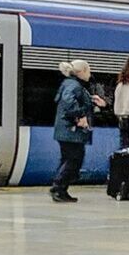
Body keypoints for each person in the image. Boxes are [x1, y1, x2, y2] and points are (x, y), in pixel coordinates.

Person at [50, 60, 103, 202]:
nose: (90, 75)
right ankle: (58, 187)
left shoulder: (70, 84)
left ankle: (62, 189)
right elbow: (69, 106)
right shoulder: (74, 85)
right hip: (71, 131)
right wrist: (82, 113)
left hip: (66, 131)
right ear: (83, 71)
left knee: (68, 159)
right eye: (89, 71)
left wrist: (90, 100)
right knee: (74, 160)